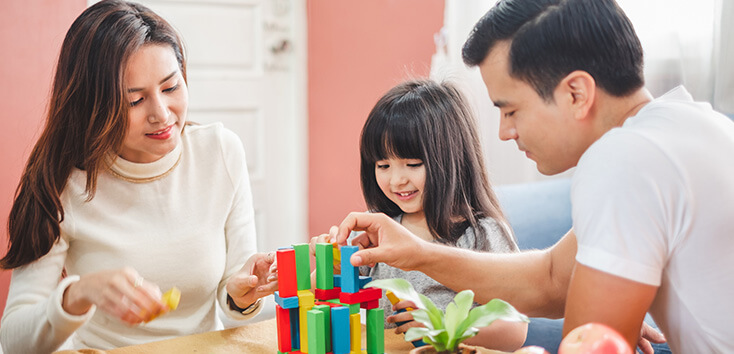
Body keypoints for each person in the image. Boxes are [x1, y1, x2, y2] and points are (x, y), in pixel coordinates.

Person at [330, 0, 734, 353]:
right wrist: (417, 253)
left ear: (576, 93)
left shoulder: (625, 159)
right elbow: (552, 279)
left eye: (511, 110)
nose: (505, 132)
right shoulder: (691, 126)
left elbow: (591, 343)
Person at [0, 1, 277, 352]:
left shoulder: (220, 151)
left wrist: (241, 293)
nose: (161, 114)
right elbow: (13, 341)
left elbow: (233, 294)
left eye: (171, 87)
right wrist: (78, 294)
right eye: (134, 101)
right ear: (93, 106)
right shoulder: (63, 183)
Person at [312, 79, 528, 351]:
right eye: (383, 165)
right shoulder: (377, 229)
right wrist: (329, 263)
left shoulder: (482, 234)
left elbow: (514, 330)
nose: (396, 180)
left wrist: (438, 329)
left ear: (452, 159)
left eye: (412, 164)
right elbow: (317, 294)